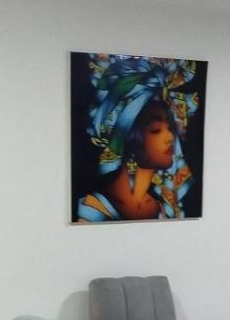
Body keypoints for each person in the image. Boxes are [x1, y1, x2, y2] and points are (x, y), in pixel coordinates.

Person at [75, 55, 201, 222]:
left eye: (170, 128)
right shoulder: (92, 210)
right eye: (156, 130)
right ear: (128, 139)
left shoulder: (161, 207)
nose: (170, 137)